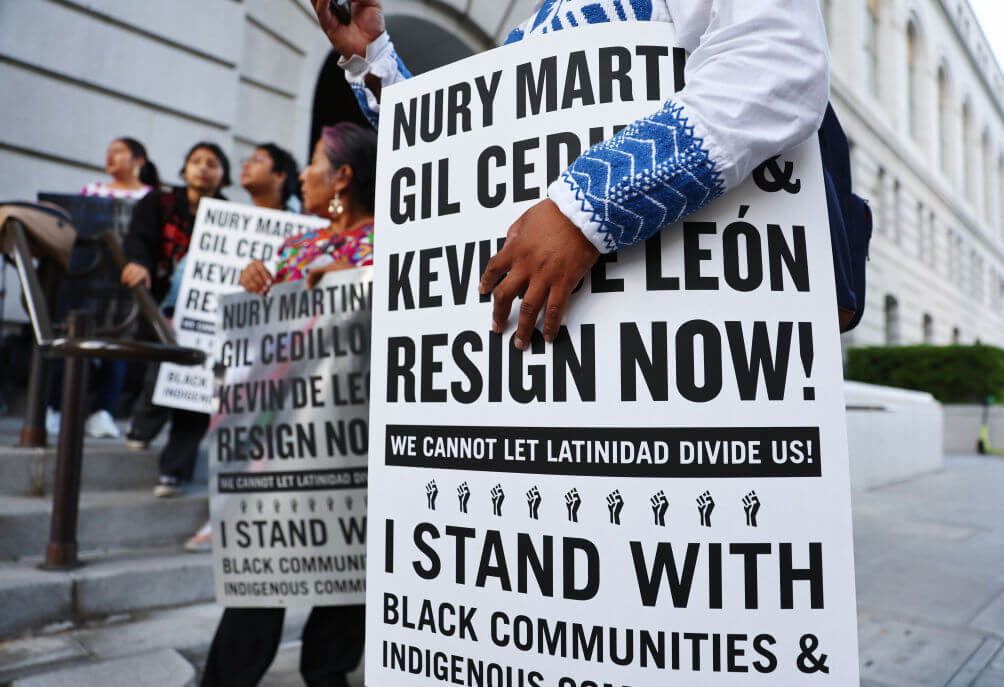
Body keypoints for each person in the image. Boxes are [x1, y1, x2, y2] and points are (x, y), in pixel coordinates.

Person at [310, 0, 830, 339]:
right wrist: (372, 60)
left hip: (663, 350)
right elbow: (464, 150)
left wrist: (585, 208)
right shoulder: (532, 26)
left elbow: (777, 62)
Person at [200, 122, 375, 687]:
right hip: (280, 439)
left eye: (313, 163)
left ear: (342, 176)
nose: (301, 174)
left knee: (345, 592)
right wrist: (259, 283)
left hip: (353, 443)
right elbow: (269, 334)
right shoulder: (299, 245)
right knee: (257, 584)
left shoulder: (394, 245)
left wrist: (356, 280)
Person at [184, 142, 302, 553]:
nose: (247, 165)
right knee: (230, 429)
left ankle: (239, 515)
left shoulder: (304, 229)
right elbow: (191, 272)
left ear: (281, 175)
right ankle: (221, 514)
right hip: (233, 347)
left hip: (278, 351)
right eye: (247, 160)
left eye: (258, 161)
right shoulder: (223, 221)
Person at [121, 142, 231, 497]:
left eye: (212, 164)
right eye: (196, 162)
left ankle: (174, 471)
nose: (203, 169)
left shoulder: (229, 214)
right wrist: (137, 261)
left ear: (222, 174)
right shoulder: (159, 203)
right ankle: (142, 427)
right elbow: (139, 237)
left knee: (197, 388)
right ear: (184, 169)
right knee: (159, 368)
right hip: (162, 304)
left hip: (206, 312)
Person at [45, 138, 162, 438]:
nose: (112, 156)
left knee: (118, 343)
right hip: (86, 278)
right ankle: (56, 407)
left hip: (125, 283)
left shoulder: (153, 199)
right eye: (109, 151)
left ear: (139, 161)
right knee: (72, 337)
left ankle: (103, 410)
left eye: (120, 151)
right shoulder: (92, 192)